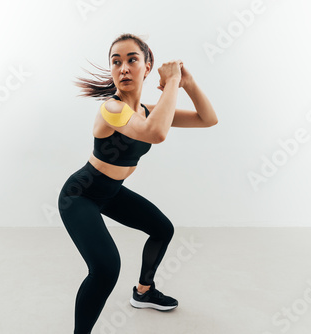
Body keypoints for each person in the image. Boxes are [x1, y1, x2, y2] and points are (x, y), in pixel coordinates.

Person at [58, 33, 218, 334]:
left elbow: (207, 119)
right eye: (116, 62)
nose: (123, 68)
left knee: (162, 229)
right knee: (105, 269)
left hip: (111, 192)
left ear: (147, 67)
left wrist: (187, 82)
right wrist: (171, 83)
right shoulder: (112, 109)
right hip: (81, 195)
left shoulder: (146, 111)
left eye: (132, 60)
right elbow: (155, 133)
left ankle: (143, 292)